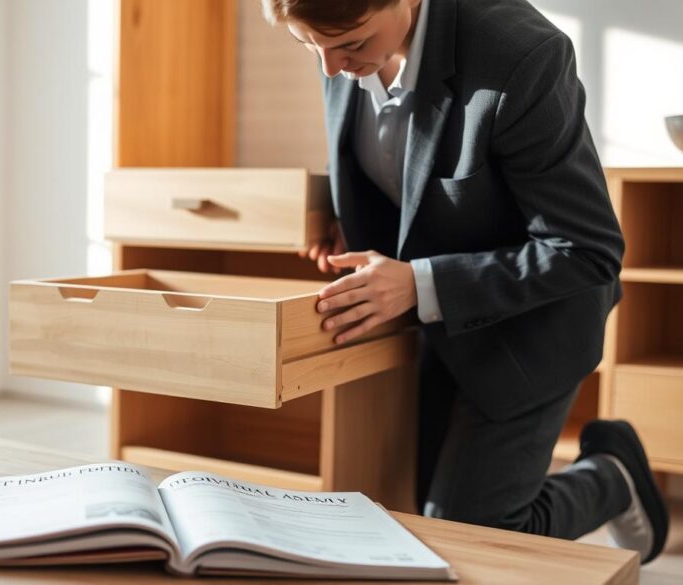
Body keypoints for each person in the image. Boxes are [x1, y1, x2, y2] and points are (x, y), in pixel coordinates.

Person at [262, 0, 668, 563]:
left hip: (535, 322)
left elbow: (586, 250)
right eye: (309, 47)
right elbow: (394, 152)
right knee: (418, 512)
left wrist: (416, 284)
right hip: (435, 321)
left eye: (350, 45)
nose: (330, 67)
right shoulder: (338, 38)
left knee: (470, 533)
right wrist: (341, 212)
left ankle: (611, 476)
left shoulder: (522, 56)